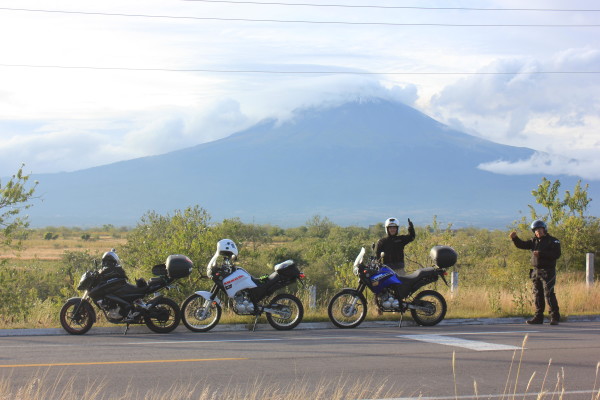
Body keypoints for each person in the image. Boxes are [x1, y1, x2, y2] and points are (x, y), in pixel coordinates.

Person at [510, 220, 561, 325]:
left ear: (544, 229)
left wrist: (541, 254)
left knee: (549, 293)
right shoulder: (534, 241)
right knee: (538, 294)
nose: (538, 232)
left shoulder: (553, 241)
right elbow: (522, 245)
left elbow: (556, 254)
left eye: (539, 229)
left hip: (548, 271)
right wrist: (515, 238)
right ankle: (538, 317)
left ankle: (554, 317)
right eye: (536, 230)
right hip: (536, 271)